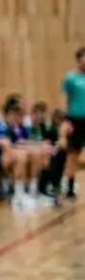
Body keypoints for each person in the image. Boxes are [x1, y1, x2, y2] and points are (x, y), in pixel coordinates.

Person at [0, 96, 49, 211]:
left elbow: (22, 142)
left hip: (1, 156)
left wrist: (40, 147)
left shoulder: (15, 126)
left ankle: (32, 191)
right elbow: (5, 146)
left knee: (35, 154)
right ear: (11, 112)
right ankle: (18, 195)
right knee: (21, 156)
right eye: (19, 114)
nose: (21, 117)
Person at [62, 47, 85, 198]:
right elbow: (65, 98)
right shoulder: (71, 78)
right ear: (79, 59)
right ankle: (69, 187)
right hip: (75, 120)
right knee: (72, 155)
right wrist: (66, 120)